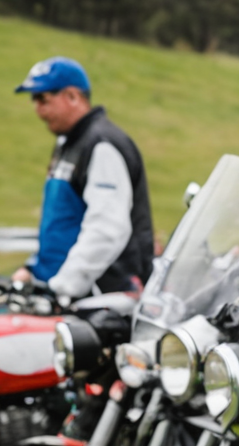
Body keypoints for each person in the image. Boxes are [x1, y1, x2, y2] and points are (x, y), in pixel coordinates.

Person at [12, 57, 154, 299]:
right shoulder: (68, 143)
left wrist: (65, 286)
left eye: (43, 99)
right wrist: (34, 268)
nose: (37, 109)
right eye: (33, 100)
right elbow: (63, 221)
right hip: (62, 290)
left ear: (73, 97)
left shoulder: (101, 144)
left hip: (98, 296)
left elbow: (107, 228)